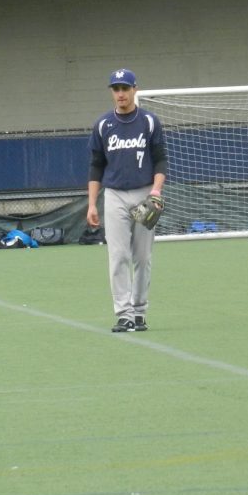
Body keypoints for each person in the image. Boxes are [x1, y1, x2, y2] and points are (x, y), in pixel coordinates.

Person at [87, 68, 168, 332]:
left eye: (125, 88)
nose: (120, 93)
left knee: (142, 257)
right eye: (116, 89)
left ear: (135, 90)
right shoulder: (103, 125)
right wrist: (91, 204)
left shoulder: (149, 122)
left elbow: (160, 160)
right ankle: (124, 313)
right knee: (118, 255)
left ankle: (140, 310)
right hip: (114, 196)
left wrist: (156, 191)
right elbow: (96, 166)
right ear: (112, 92)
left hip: (144, 193)